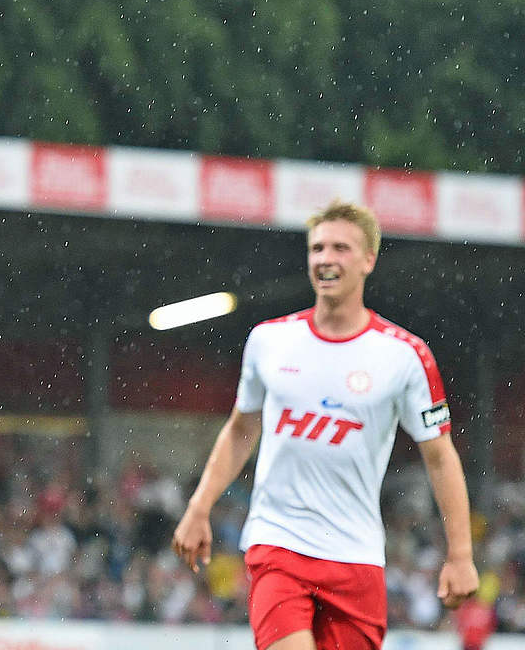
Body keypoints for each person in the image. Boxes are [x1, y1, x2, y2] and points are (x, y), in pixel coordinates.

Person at [171, 200, 479, 650]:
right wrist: (199, 508)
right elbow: (240, 430)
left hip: (355, 558)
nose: (325, 259)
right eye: (317, 249)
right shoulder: (269, 340)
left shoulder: (405, 356)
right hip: (279, 545)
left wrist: (461, 554)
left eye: (340, 248)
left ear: (369, 260)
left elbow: (440, 457)